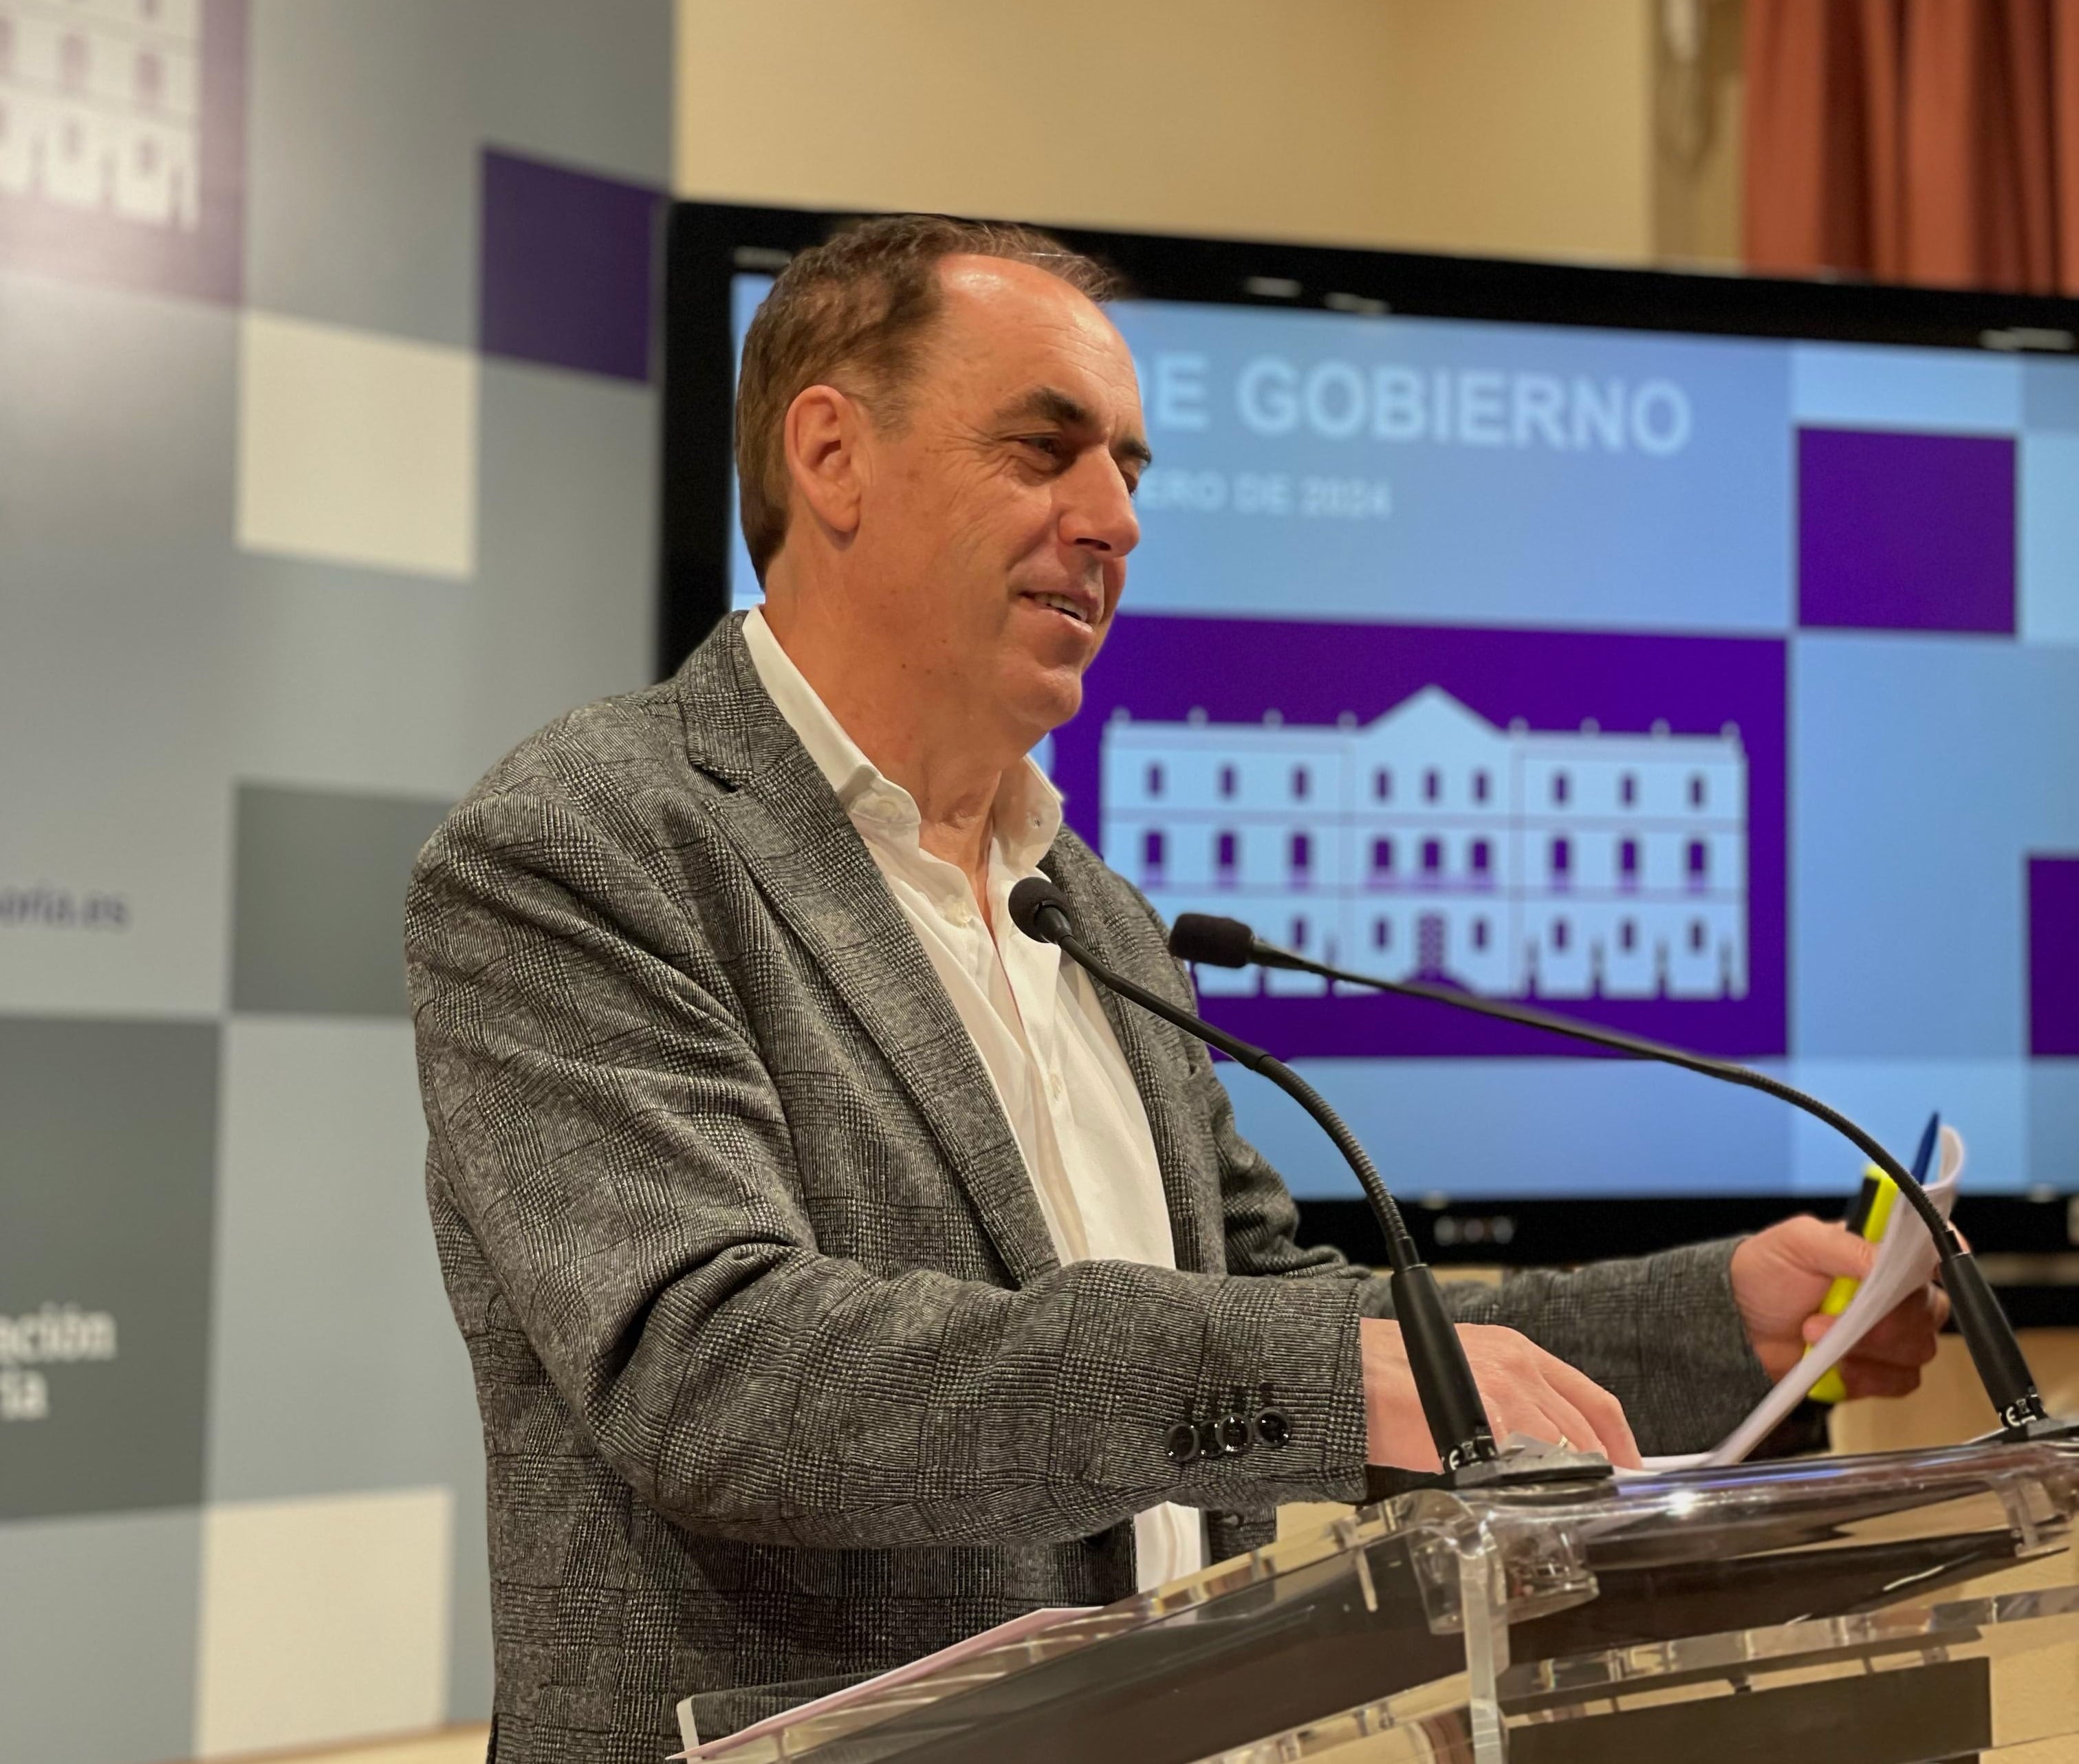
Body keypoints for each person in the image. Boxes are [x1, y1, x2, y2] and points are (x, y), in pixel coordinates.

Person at [405, 215, 1948, 1763]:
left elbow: (1285, 1310)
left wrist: (1715, 1326)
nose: (1114, 519)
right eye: (1045, 447)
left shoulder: (1093, 909)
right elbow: (723, 1371)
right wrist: (1304, 1375)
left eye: (1130, 472)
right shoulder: (589, 846)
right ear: (832, 456)